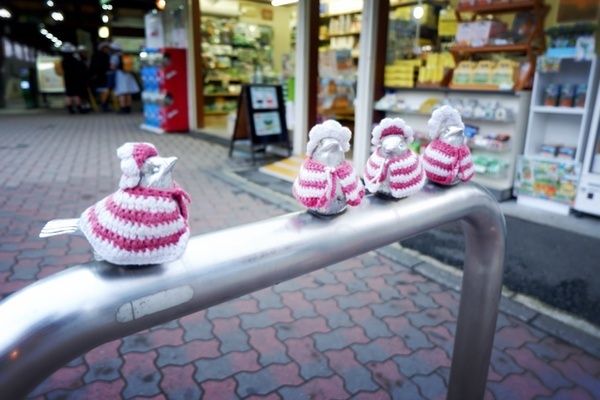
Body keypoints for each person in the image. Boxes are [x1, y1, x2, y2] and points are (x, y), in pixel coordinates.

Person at [110, 42, 140, 114]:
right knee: (128, 92)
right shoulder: (125, 55)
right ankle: (128, 108)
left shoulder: (114, 56)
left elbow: (112, 67)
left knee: (122, 92)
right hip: (128, 75)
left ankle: (123, 108)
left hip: (120, 75)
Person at [60, 42, 86, 114]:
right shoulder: (75, 60)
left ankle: (70, 108)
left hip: (67, 78)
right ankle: (79, 107)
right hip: (75, 78)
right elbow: (80, 68)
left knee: (69, 94)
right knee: (76, 93)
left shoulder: (63, 61)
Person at [90, 41, 112, 112]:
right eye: (106, 48)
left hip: (98, 76)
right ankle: (104, 105)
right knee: (104, 91)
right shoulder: (104, 56)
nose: (108, 49)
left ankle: (103, 104)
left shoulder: (96, 55)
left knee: (102, 91)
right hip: (101, 77)